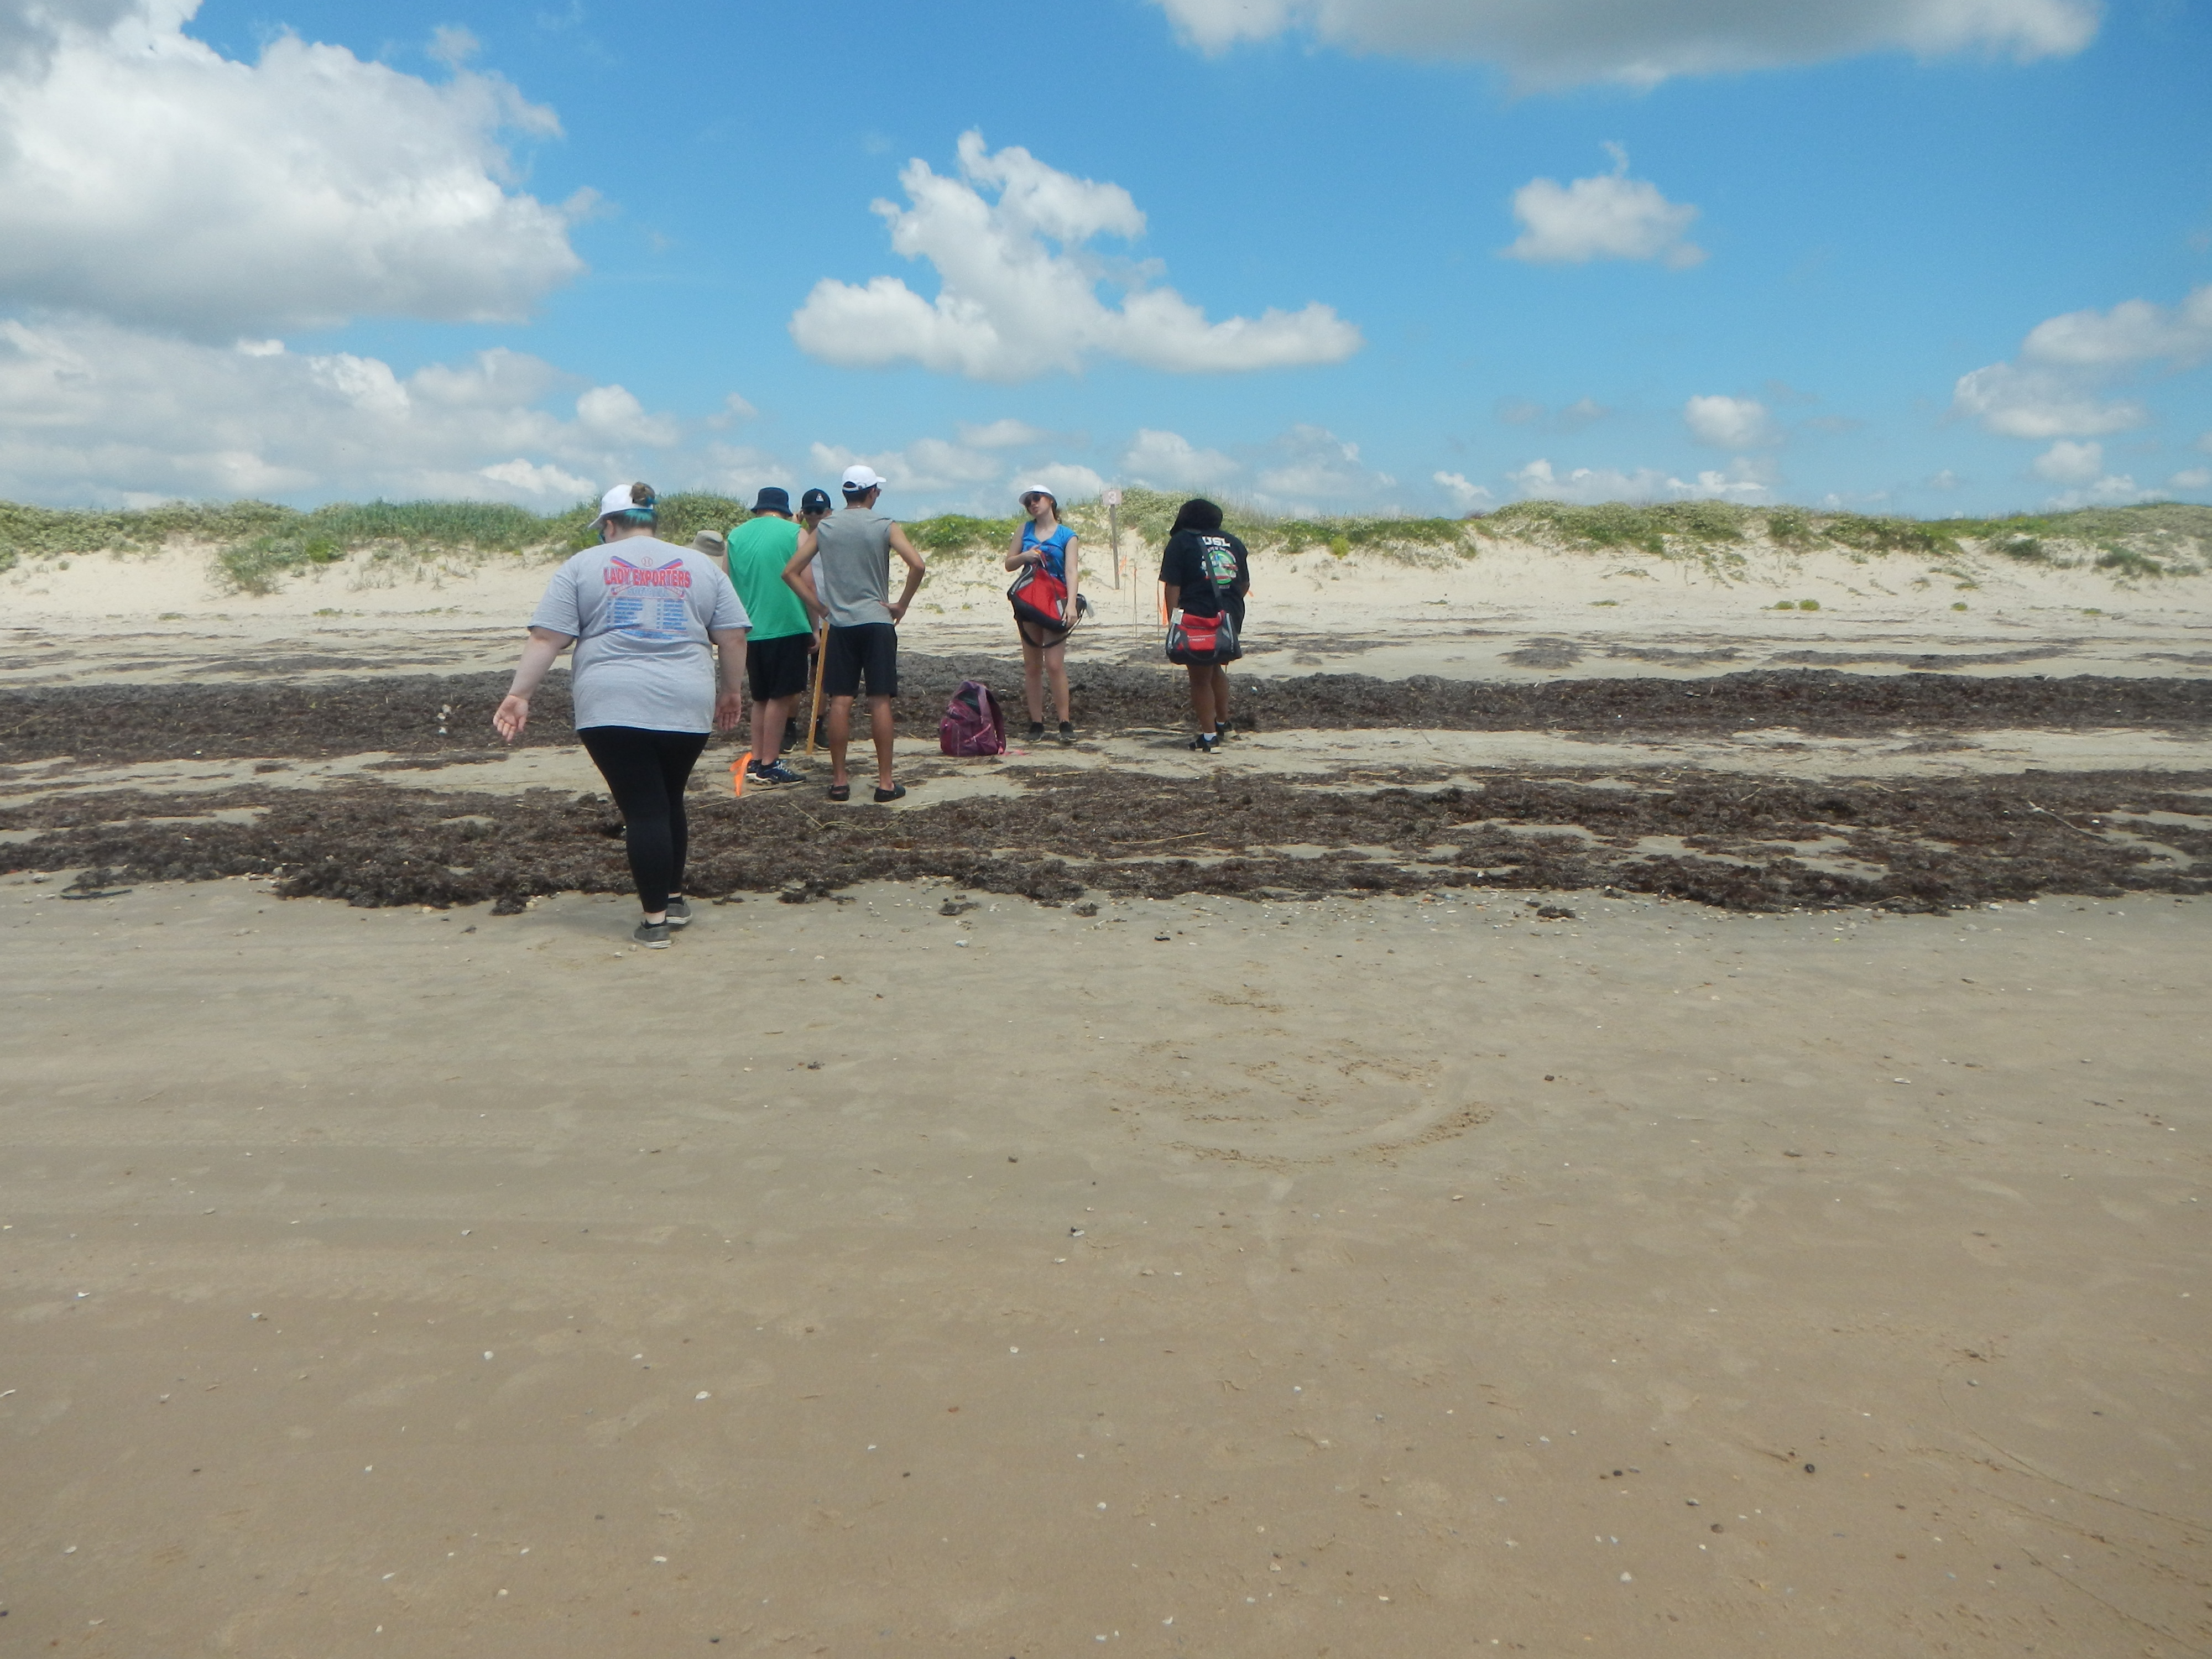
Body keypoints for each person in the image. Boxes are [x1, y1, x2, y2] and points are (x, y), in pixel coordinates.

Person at [493, 482, 748, 947]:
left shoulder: (582, 565)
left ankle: (655, 924)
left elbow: (546, 638)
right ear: (651, 521)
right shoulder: (699, 566)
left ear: (609, 525)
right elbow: (732, 637)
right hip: (687, 699)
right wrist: (731, 692)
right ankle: (671, 898)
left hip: (610, 702)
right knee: (668, 799)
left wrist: (519, 695)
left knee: (645, 808)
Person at [784, 465, 926, 803]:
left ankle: (839, 781)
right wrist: (901, 604)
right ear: (872, 492)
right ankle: (886, 783)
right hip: (877, 621)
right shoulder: (884, 525)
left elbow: (790, 572)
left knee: (840, 701)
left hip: (841, 624)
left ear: (847, 493)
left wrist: (819, 607)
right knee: (879, 700)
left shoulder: (827, 527)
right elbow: (917, 565)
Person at [722, 487, 812, 787]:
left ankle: (758, 759)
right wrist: (814, 626)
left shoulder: (736, 537)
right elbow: (808, 582)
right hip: (786, 623)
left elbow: (727, 583)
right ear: (785, 511)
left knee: (761, 696)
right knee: (781, 696)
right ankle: (770, 763)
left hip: (749, 629)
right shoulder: (794, 534)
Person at [1157, 497, 1249, 754]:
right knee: (1215, 667)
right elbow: (1243, 585)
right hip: (1229, 614)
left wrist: (1174, 620)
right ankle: (1223, 724)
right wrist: (1226, 608)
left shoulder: (1181, 542)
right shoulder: (1233, 542)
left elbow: (1173, 584)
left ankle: (1209, 738)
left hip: (1197, 615)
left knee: (1199, 677)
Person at [1004, 484, 1081, 744]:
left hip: (1056, 601)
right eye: (1028, 503)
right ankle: (1036, 723)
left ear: (1050, 500)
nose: (1033, 505)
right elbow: (1008, 564)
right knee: (1032, 665)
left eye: (1036, 499)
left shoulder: (1067, 535)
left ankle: (1064, 721)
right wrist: (1026, 555)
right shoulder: (1024, 530)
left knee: (1055, 664)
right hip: (1029, 601)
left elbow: (1071, 571)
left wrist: (1071, 605)